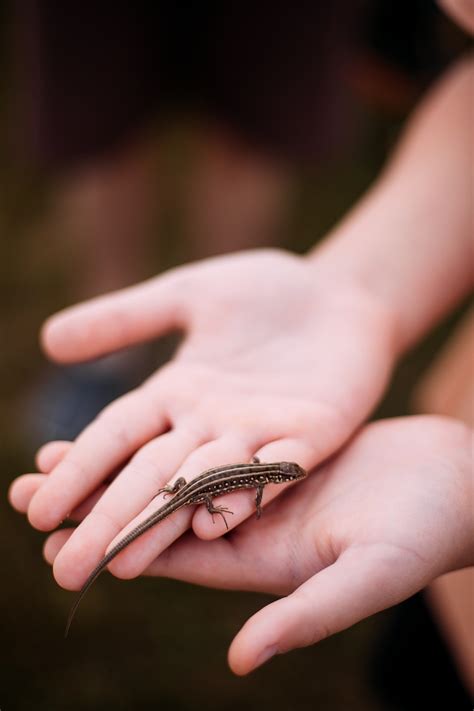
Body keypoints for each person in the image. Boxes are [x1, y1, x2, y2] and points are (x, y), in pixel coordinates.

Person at [9, 0, 473, 683]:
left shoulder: (256, 478)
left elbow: (229, 487)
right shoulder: (256, 480)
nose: (285, 476)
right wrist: (362, 284)